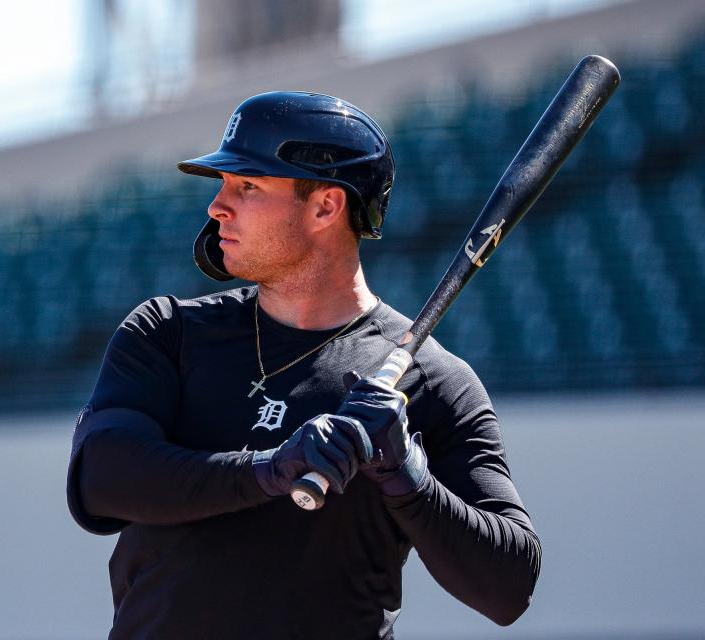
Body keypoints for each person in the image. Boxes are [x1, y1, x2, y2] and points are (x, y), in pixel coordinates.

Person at [66, 91, 541, 639]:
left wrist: (408, 476)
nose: (216, 207)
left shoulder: (434, 383)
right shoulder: (167, 331)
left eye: (247, 186)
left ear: (325, 206)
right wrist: (271, 469)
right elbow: (101, 481)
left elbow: (510, 587)